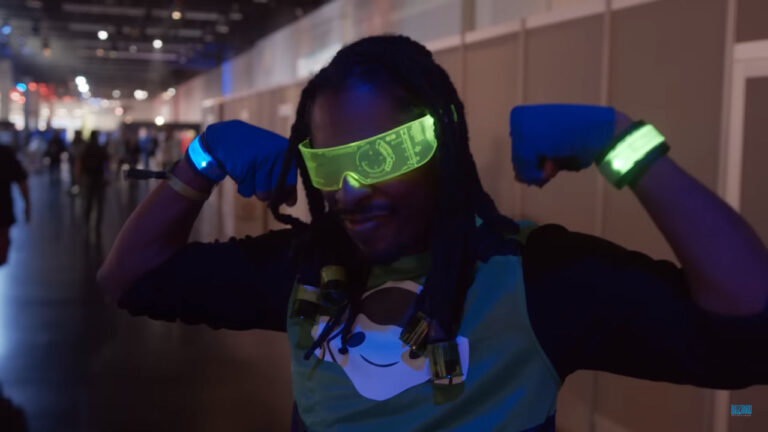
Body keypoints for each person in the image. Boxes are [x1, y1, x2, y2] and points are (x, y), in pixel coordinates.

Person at [98, 36, 768, 431]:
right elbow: (129, 278)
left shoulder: (530, 278)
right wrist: (202, 158)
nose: (349, 193)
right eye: (329, 166)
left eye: (383, 155)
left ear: (441, 148)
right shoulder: (307, 270)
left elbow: (749, 329)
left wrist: (624, 144)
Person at [0, 143, 30, 266]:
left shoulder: (5, 153)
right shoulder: (4, 153)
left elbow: (21, 180)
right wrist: (27, 205)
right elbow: (21, 180)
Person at [79, 130, 109, 239]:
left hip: (89, 178)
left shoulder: (86, 149)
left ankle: (87, 224)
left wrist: (80, 178)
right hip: (98, 179)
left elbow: (81, 164)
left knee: (89, 202)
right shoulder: (100, 149)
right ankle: (97, 225)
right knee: (99, 203)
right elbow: (106, 162)